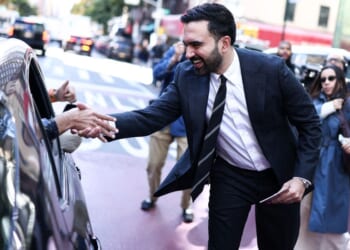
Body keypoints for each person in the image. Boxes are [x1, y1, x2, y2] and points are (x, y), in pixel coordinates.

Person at [84, 3, 321, 249]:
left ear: (225, 43)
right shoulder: (186, 76)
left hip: (279, 178)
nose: (188, 53)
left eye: (196, 45)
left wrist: (301, 178)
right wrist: (100, 123)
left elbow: (311, 125)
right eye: (186, 44)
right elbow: (151, 116)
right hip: (231, 176)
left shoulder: (271, 70)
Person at [295, 64, 350, 250]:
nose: (326, 83)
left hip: (337, 165)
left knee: (333, 213)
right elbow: (304, 121)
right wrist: (327, 108)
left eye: (331, 78)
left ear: (340, 80)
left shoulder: (347, 103)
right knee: (305, 211)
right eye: (323, 79)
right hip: (313, 161)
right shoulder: (314, 102)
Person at [140, 41, 194, 223]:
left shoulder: (202, 54)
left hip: (187, 123)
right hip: (162, 120)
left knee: (188, 170)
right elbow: (156, 73)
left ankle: (187, 206)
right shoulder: (175, 49)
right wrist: (174, 58)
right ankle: (152, 196)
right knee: (153, 165)